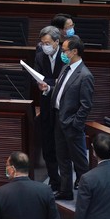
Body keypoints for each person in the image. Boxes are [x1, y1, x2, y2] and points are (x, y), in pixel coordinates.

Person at [38, 35, 94, 200]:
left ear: (74, 51)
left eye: (64, 50)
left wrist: (75, 124)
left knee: (80, 162)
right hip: (58, 120)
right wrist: (48, 88)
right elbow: (61, 89)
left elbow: (86, 105)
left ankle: (87, 194)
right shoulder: (65, 68)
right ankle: (66, 190)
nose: (62, 53)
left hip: (71, 125)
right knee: (62, 158)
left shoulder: (85, 75)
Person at [34, 25, 65, 191]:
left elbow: (66, 80)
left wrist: (49, 84)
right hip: (46, 105)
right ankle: (54, 180)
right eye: (42, 43)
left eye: (47, 43)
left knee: (62, 144)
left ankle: (67, 181)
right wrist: (42, 84)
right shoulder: (39, 56)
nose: (44, 46)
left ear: (56, 42)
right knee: (47, 145)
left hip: (63, 106)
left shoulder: (66, 56)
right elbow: (37, 76)